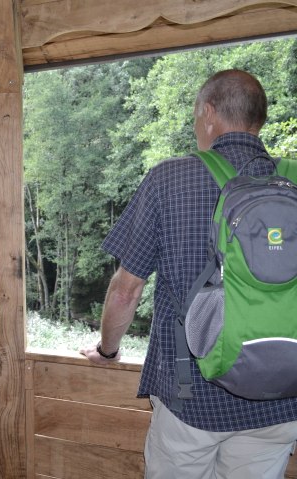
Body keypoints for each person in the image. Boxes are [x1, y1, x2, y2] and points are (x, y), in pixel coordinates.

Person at [80, 69, 297, 478]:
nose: (197, 126)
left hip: (192, 394)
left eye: (197, 116)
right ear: (259, 120)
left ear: (210, 113)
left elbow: (126, 291)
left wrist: (108, 351)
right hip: (282, 396)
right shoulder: (294, 180)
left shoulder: (171, 178)